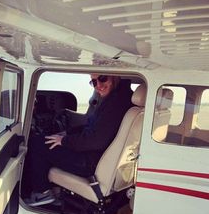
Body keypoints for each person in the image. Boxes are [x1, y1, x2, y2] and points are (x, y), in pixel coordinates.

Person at [26, 74, 133, 206]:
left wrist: (64, 141)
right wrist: (66, 133)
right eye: (94, 82)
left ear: (114, 77)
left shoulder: (116, 104)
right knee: (47, 141)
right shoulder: (121, 99)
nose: (98, 85)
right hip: (99, 157)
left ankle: (42, 193)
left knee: (38, 144)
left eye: (103, 78)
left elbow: (96, 140)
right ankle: (55, 190)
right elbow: (94, 128)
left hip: (90, 162)